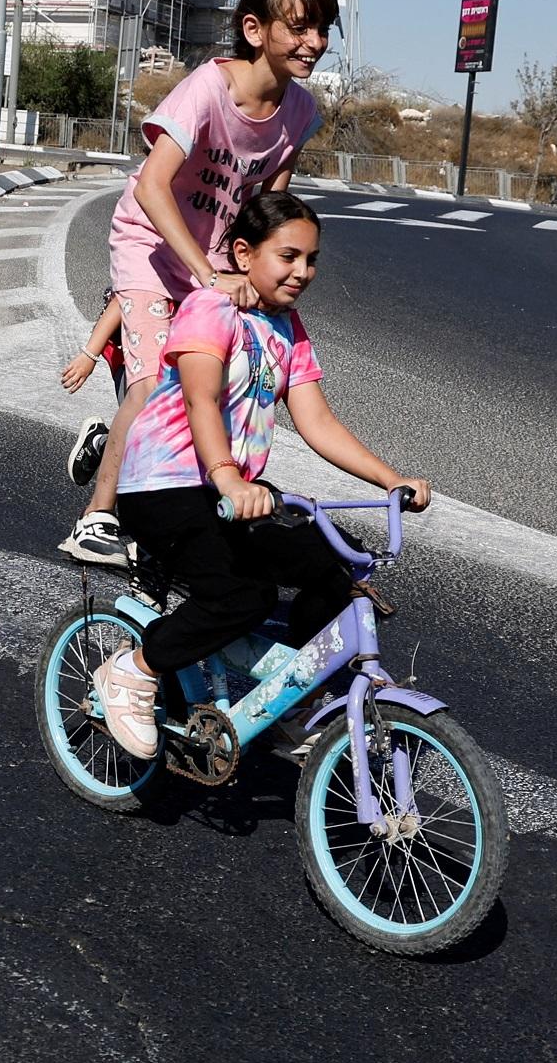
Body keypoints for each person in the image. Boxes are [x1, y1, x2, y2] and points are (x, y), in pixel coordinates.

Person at [87, 192, 431, 760]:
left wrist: (390, 480)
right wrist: (227, 477)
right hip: (163, 487)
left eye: (312, 259)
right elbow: (201, 400)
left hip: (227, 495)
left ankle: (291, 700)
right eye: (289, 256)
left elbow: (316, 420)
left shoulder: (287, 328)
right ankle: (133, 668)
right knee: (238, 597)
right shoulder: (208, 308)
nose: (303, 272)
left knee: (334, 570)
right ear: (244, 254)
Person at [59, 0, 339, 567]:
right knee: (156, 378)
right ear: (256, 30)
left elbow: (268, 211)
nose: (313, 43)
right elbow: (154, 187)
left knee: (215, 378)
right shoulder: (208, 89)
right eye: (299, 28)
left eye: (322, 31)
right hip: (149, 245)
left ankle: (121, 447)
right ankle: (97, 517)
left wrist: (262, 280)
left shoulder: (298, 113)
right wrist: (209, 275)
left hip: (215, 257)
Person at [59, 293, 127, 486]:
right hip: (133, 355)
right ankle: (101, 443)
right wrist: (89, 355)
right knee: (142, 433)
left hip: (189, 353)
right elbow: (124, 298)